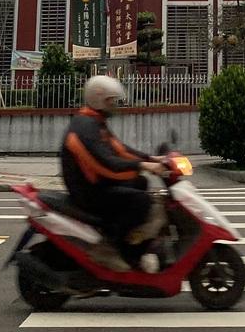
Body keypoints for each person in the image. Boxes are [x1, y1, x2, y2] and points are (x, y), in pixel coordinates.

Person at [61, 75, 167, 272]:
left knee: (140, 183)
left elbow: (120, 149)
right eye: (111, 101)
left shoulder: (95, 121)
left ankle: (134, 239)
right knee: (141, 201)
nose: (115, 105)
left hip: (95, 184)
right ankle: (110, 246)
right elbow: (107, 165)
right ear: (99, 100)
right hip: (88, 192)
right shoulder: (84, 128)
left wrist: (152, 159)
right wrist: (142, 165)